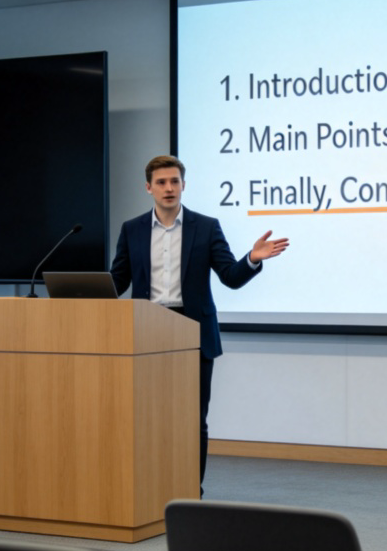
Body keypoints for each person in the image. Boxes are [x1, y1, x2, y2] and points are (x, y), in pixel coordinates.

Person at [110, 155, 288, 487]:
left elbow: (230, 277)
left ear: (184, 186)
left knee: (193, 420)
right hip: (145, 334)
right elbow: (117, 281)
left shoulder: (206, 227)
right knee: (145, 418)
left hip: (194, 334)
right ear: (148, 187)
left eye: (174, 182)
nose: (169, 188)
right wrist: (82, 294)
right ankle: (149, 487)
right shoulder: (132, 229)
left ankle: (192, 489)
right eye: (161, 182)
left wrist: (251, 259)